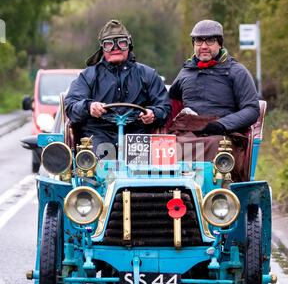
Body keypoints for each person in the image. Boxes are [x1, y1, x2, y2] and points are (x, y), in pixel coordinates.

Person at [168, 19, 260, 179]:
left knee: (217, 146)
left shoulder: (237, 72)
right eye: (198, 40)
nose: (203, 46)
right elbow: (168, 101)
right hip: (188, 132)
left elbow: (252, 109)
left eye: (210, 40)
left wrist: (221, 125)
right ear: (193, 44)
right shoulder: (186, 72)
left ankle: (215, 196)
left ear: (220, 43)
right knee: (165, 147)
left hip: (223, 135)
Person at [64, 19, 170, 157]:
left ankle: (141, 176)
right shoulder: (88, 76)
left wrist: (153, 113)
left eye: (121, 43)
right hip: (98, 134)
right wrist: (89, 107)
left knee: (143, 169)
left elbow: (165, 107)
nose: (115, 48)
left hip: (136, 134)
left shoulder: (147, 75)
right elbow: (71, 106)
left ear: (129, 45)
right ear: (102, 48)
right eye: (109, 44)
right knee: (97, 168)